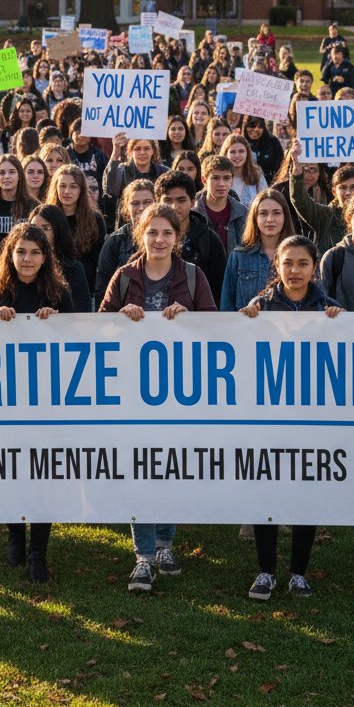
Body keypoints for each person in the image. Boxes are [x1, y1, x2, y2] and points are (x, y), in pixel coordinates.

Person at [99, 204, 216, 592]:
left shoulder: (193, 276)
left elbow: (215, 329)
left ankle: (165, 543)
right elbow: (99, 328)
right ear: (141, 236)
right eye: (152, 233)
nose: (160, 240)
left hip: (180, 393)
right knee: (139, 468)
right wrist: (120, 316)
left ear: (177, 238)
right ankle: (143, 556)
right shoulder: (124, 276)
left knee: (169, 466)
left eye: (167, 233)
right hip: (131, 391)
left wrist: (191, 318)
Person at [240, 235, 344, 599]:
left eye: (303, 264)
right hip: (267, 416)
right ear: (277, 266)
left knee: (306, 490)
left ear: (314, 267)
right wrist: (244, 322)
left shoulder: (329, 307)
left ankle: (298, 572)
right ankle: (266, 571)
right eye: (288, 263)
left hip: (312, 417)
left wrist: (342, 324)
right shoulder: (260, 306)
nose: (295, 270)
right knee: (265, 486)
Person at [0, 222, 74, 582]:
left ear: (45, 256)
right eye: (21, 252)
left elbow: (79, 339)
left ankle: (38, 552)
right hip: (3, 398)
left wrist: (58, 323)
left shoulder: (59, 291)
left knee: (42, 473)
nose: (28, 258)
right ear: (10, 254)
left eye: (35, 252)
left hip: (47, 399)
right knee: (7, 470)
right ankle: (15, 531)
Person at [153, 170, 227, 305]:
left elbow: (219, 291)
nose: (174, 207)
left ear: (193, 202)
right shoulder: (148, 239)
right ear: (157, 202)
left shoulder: (210, 241)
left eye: (181, 200)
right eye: (168, 200)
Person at [221, 188, 295, 312]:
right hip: (247, 329)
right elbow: (226, 306)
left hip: (286, 329)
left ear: (285, 217)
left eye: (276, 213)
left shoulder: (297, 255)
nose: (270, 219)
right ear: (255, 217)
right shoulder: (239, 256)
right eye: (263, 213)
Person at [289, 150, 354, 256]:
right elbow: (299, 200)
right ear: (334, 192)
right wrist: (297, 173)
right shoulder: (325, 216)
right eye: (343, 188)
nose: (348, 192)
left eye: (353, 187)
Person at [47, 164, 106, 297]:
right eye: (62, 186)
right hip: (51, 290)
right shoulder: (46, 217)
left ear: (81, 190)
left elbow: (98, 262)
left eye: (73, 186)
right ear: (55, 188)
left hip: (84, 291)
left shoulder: (95, 220)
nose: (67, 191)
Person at [94, 179, 156, 303]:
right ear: (126, 207)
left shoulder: (167, 238)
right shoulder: (114, 242)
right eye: (135, 203)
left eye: (147, 202)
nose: (141, 208)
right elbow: (102, 291)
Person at [28, 204, 91, 312]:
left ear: (57, 231)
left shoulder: (73, 268)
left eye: (46, 228)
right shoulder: (24, 265)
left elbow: (83, 311)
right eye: (34, 228)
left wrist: (57, 316)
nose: (38, 234)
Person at [193, 155, 246, 254]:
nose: (221, 184)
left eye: (226, 178)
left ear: (232, 180)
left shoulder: (242, 213)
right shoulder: (193, 212)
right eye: (215, 178)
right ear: (204, 180)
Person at [221, 134, 267, 207]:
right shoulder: (219, 177)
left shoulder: (257, 174)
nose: (237, 155)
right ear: (226, 154)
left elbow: (265, 202)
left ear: (247, 153)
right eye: (232, 152)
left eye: (241, 151)